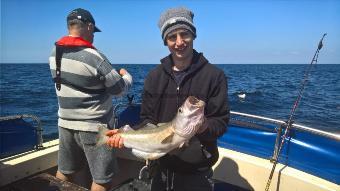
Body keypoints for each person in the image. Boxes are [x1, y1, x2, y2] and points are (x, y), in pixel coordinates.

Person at [107, 7, 229, 191]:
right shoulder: (154, 77)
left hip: (197, 171)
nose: (179, 42)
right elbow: (147, 120)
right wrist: (122, 134)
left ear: (193, 35)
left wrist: (203, 126)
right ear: (165, 41)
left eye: (185, 34)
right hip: (160, 167)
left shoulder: (214, 76)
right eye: (172, 37)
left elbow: (220, 124)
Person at [48, 8, 132, 191]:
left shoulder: (54, 53)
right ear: (89, 26)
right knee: (102, 179)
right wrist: (127, 77)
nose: (93, 36)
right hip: (95, 128)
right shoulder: (95, 57)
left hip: (65, 124)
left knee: (64, 171)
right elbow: (118, 90)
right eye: (93, 32)